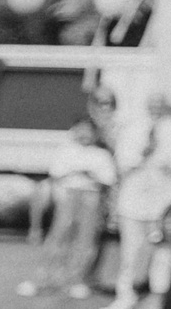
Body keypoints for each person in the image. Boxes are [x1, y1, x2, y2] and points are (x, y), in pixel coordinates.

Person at [103, 96, 171, 309]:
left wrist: (157, 150)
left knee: (163, 255)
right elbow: (123, 162)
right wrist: (141, 154)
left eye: (160, 102)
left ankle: (160, 303)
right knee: (130, 254)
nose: (155, 107)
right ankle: (125, 299)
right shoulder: (132, 128)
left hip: (163, 203)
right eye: (151, 102)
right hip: (133, 201)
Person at [30, 118, 116, 298]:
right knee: (58, 236)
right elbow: (57, 173)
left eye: (88, 130)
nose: (84, 134)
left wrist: (89, 174)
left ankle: (76, 280)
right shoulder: (65, 151)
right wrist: (76, 173)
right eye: (80, 130)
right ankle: (44, 278)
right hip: (68, 197)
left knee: (85, 240)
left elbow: (108, 179)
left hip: (91, 198)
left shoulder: (101, 155)